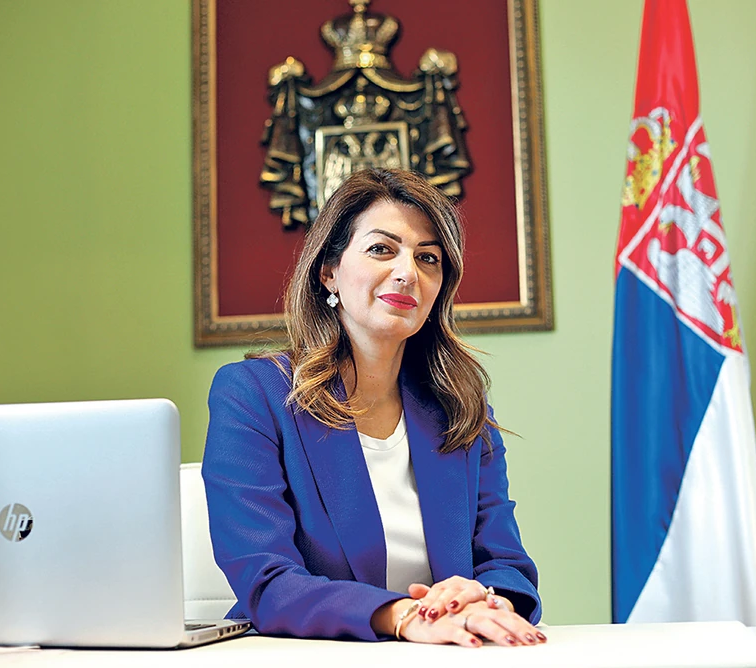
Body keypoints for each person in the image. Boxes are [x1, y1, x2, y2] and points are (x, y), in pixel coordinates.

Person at [202, 168, 543, 647]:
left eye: (428, 258)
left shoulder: (461, 406)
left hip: (449, 654)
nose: (408, 272)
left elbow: (506, 565)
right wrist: (404, 616)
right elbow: (266, 580)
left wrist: (487, 601)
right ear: (329, 271)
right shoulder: (253, 394)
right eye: (382, 249)